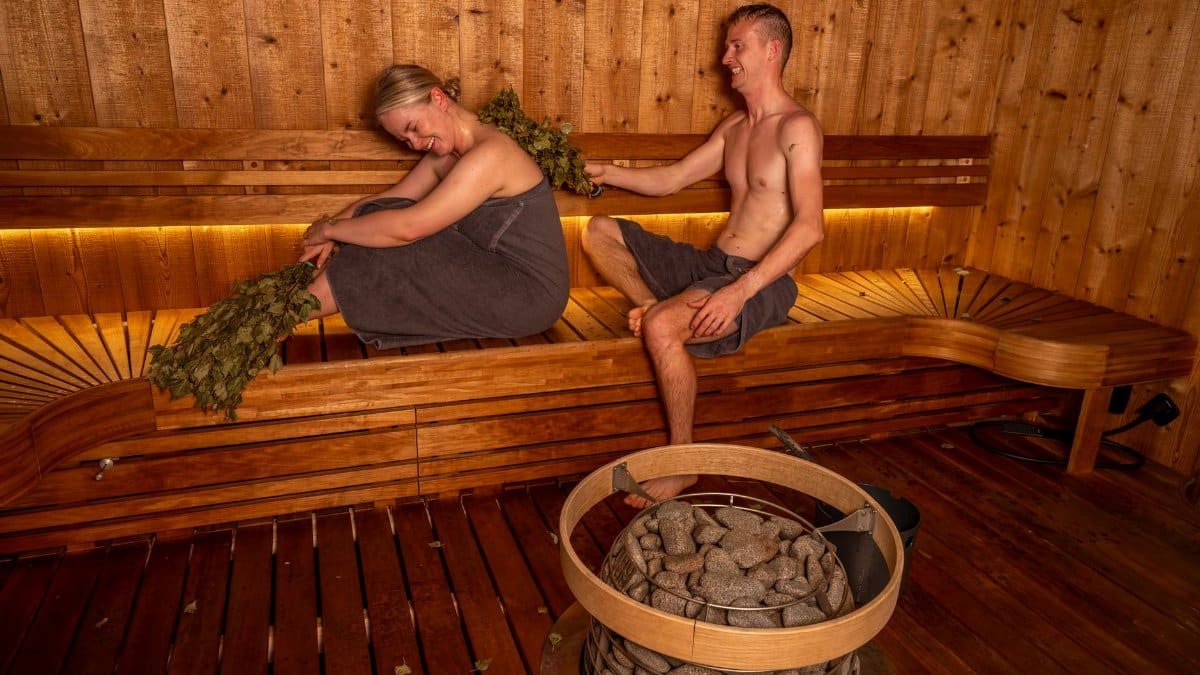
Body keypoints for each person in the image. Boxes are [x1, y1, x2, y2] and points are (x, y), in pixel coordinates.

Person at [582, 4, 824, 506]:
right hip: (712, 265)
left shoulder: (796, 128)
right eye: (727, 46)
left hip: (762, 281)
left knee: (664, 328)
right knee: (600, 232)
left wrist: (739, 292)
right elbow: (671, 179)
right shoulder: (736, 128)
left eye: (738, 46)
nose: (726, 57)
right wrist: (608, 172)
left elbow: (810, 227)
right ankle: (654, 309)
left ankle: (682, 462)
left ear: (772, 50)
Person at [300, 65, 569, 349]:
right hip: (487, 268)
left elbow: (408, 228)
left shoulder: (492, 154)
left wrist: (330, 230)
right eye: (405, 140)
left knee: (384, 241)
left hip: (529, 294)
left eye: (414, 128)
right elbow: (389, 199)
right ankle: (288, 308)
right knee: (377, 217)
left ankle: (285, 316)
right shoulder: (444, 156)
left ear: (438, 99)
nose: (415, 144)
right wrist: (326, 234)